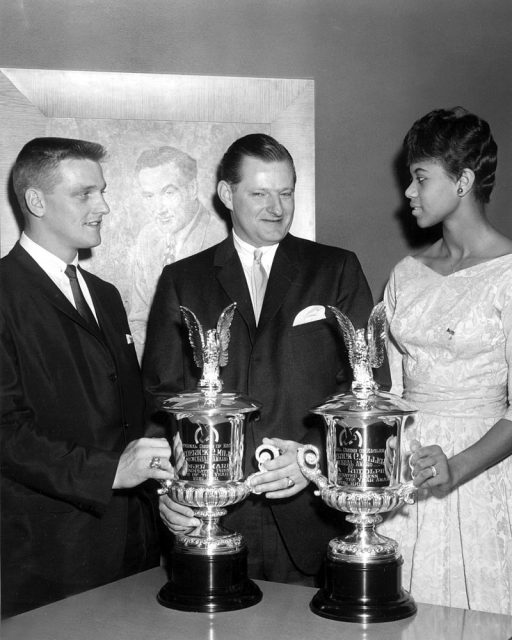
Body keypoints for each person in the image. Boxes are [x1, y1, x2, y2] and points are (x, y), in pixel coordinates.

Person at [143, 133, 374, 585]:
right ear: (227, 194)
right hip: (212, 518)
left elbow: (365, 389)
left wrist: (314, 463)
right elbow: (161, 399)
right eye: (260, 193)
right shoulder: (181, 280)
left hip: (313, 513)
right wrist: (169, 489)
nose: (277, 207)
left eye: (285, 192)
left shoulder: (337, 268)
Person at [0, 137, 174, 618]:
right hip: (48, 558)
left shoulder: (106, 294)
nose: (105, 206)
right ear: (36, 201)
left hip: (134, 547)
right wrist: (109, 471)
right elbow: (6, 433)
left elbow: (128, 411)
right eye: (85, 194)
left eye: (102, 191)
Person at [382, 107, 512, 614]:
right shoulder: (406, 274)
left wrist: (456, 468)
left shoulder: (508, 274)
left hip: (482, 471)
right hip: (407, 474)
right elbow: (386, 392)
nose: (409, 193)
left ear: (462, 181)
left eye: (419, 178)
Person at [129, 146, 227, 360]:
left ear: (192, 189)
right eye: (149, 196)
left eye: (168, 192)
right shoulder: (147, 238)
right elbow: (138, 319)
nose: (158, 208)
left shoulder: (221, 238)